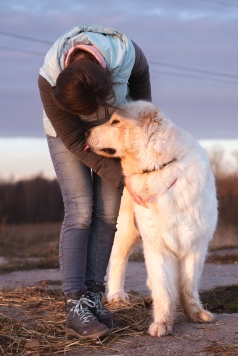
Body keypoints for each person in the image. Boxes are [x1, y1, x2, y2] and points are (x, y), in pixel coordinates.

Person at [38, 24, 152, 339]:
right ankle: (75, 308)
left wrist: (138, 120)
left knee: (109, 214)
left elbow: (141, 81)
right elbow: (75, 141)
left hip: (113, 125)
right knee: (81, 209)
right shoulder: (47, 79)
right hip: (67, 136)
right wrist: (124, 177)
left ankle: (93, 297)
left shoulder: (126, 54)